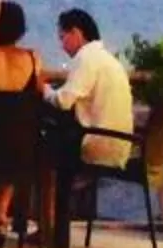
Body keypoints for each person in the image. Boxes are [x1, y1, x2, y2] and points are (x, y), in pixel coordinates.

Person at [0, 0, 43, 248]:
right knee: (12, 163)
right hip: (24, 142)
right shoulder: (32, 57)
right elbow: (39, 91)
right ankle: (0, 219)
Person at [49, 10, 134, 168]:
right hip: (120, 144)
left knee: (46, 143)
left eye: (62, 38)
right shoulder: (107, 59)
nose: (62, 46)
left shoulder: (86, 57)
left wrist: (44, 89)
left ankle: (57, 191)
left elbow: (63, 101)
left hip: (100, 144)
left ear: (75, 33)